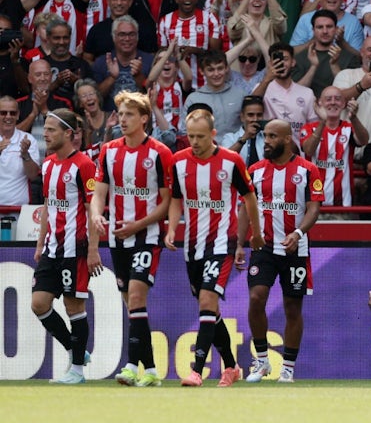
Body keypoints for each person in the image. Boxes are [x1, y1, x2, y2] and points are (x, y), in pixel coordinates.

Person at [165, 108, 264, 387]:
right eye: (190, 136)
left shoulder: (231, 162)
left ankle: (196, 370)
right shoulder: (178, 162)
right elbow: (175, 199)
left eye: (200, 136)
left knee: (208, 301)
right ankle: (232, 367)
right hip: (192, 245)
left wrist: (254, 234)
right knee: (209, 309)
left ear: (213, 134)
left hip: (223, 242)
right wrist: (172, 227)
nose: (194, 142)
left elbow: (249, 199)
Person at [90, 90, 173, 387]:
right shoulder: (109, 150)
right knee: (131, 304)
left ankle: (129, 366)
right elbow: (98, 194)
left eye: (128, 115)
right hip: (117, 239)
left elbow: (166, 203)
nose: (122, 120)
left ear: (143, 119)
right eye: (120, 114)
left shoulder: (160, 153)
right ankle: (150, 370)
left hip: (147, 236)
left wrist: (137, 224)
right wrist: (98, 215)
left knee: (137, 297)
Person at [238, 119, 324, 383]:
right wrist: (240, 243)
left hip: (294, 248)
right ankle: (262, 361)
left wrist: (298, 233)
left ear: (288, 139)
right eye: (266, 136)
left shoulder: (308, 171)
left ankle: (287, 367)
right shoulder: (254, 170)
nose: (268, 141)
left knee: (292, 307)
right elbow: (245, 208)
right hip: (263, 246)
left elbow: (314, 208)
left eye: (273, 136)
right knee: (256, 298)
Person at [31, 108, 101, 384]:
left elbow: (92, 207)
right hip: (52, 248)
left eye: (51, 130)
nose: (45, 134)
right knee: (39, 304)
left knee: (74, 308)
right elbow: (48, 206)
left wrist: (94, 250)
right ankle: (75, 351)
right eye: (45, 129)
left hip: (76, 250)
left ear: (68, 133)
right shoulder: (47, 165)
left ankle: (77, 371)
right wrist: (40, 243)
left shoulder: (84, 166)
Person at [300, 85, 368, 208]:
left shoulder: (348, 128)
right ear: (319, 103)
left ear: (343, 104)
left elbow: (364, 140)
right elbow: (308, 151)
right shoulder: (309, 128)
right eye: (328, 99)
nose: (333, 102)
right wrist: (322, 122)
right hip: (314, 205)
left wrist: (354, 118)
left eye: (337, 99)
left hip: (344, 203)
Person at [181, 49, 243, 141]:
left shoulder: (240, 95)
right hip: (205, 153)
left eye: (220, 68)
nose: (216, 74)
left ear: (226, 68)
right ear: (202, 71)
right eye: (211, 70)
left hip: (237, 151)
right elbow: (185, 132)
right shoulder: (193, 99)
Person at [0, 96, 40, 215]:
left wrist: (25, 154)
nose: (8, 116)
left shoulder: (28, 140)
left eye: (12, 113)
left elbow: (33, 176)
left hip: (20, 210)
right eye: (3, 113)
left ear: (17, 115)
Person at [221, 95, 266, 167]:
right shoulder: (230, 138)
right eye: (250, 115)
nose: (255, 119)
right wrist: (244, 138)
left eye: (259, 115)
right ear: (242, 117)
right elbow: (225, 160)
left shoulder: (267, 137)